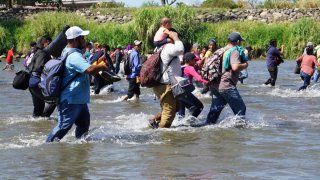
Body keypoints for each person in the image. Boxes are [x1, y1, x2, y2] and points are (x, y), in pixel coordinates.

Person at [46, 26, 108, 142]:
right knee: (63, 127)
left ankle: (80, 149)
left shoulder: (71, 53)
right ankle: (47, 147)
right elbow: (89, 70)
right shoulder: (74, 56)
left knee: (83, 125)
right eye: (82, 38)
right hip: (70, 100)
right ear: (75, 40)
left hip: (79, 99)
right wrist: (101, 66)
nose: (84, 41)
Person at [206, 32, 248, 125]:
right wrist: (245, 64)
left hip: (215, 84)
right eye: (240, 41)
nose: (240, 43)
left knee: (215, 110)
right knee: (241, 108)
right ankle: (239, 131)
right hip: (226, 85)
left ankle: (207, 126)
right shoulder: (234, 51)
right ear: (237, 41)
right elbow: (235, 67)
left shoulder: (220, 50)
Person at [149, 29, 184, 128]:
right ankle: (163, 135)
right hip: (166, 85)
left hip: (166, 84)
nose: (179, 38)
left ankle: (154, 120)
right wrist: (175, 37)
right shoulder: (168, 47)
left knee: (176, 107)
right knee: (169, 112)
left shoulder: (162, 48)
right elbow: (180, 50)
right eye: (178, 36)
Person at [28, 36, 56, 118]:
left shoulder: (38, 52)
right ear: (45, 43)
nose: (51, 46)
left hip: (32, 83)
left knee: (38, 108)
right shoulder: (42, 53)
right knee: (53, 100)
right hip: (37, 83)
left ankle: (37, 124)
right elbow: (38, 67)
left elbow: (29, 66)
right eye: (50, 43)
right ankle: (44, 118)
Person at [178, 52, 208, 118]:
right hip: (185, 92)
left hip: (178, 92)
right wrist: (208, 82)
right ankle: (190, 123)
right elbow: (199, 78)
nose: (195, 61)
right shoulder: (190, 68)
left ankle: (179, 125)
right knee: (200, 106)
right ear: (190, 60)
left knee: (181, 114)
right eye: (194, 60)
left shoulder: (181, 67)